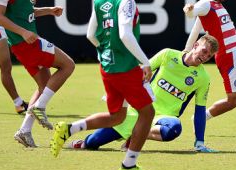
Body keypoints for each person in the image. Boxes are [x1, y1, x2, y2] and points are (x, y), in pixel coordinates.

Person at [50, 0, 155, 170]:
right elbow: (126, 34)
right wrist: (145, 62)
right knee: (147, 113)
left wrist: (104, 51)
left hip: (107, 67)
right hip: (126, 68)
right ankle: (129, 164)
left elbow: (91, 34)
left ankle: (68, 129)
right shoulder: (125, 0)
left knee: (118, 116)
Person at [66, 34, 219, 154]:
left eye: (209, 56)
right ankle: (84, 141)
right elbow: (140, 73)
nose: (205, 57)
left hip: (163, 117)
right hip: (139, 110)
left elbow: (200, 109)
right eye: (204, 51)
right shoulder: (168, 55)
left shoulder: (203, 78)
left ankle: (136, 135)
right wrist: (118, 92)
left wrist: (199, 141)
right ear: (195, 45)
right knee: (92, 143)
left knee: (174, 129)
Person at [0, 0, 75, 147]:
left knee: (43, 84)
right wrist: (22, 32)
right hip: (27, 43)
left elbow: (25, 13)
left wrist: (48, 10)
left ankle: (25, 131)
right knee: (68, 65)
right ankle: (41, 108)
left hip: (26, 43)